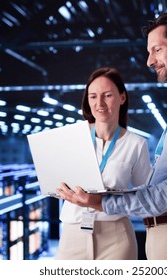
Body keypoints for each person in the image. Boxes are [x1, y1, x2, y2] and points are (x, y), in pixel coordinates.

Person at [57, 12, 167, 260]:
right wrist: (101, 197)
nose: (150, 61)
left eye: (157, 50)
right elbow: (157, 186)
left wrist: (102, 203)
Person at [54, 67, 152, 260]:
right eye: (92, 96)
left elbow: (145, 198)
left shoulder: (136, 144)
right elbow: (56, 182)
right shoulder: (71, 137)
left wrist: (101, 202)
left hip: (116, 237)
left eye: (107, 95)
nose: (99, 103)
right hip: (73, 233)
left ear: (122, 98)